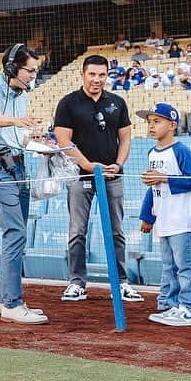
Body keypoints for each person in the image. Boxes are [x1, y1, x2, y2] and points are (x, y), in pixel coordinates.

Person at [53, 55, 144, 305]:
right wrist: (87, 165)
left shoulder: (117, 102)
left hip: (112, 177)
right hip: (80, 176)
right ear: (82, 74)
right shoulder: (68, 103)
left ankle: (121, 282)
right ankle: (77, 283)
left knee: (116, 231)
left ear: (107, 76)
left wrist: (119, 164)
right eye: (92, 74)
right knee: (77, 231)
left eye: (102, 75)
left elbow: (125, 138)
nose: (97, 79)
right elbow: (63, 141)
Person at [0, 44, 50, 324]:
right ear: (11, 68)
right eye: (29, 70)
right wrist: (16, 121)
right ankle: (12, 304)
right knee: (15, 232)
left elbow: (15, 136)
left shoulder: (22, 94)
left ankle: (3, 300)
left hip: (17, 165)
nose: (33, 75)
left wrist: (36, 140)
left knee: (18, 233)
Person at [137, 104, 191, 327]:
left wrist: (163, 178)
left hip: (181, 219)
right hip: (164, 218)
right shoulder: (151, 152)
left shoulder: (180, 150)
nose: (151, 126)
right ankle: (169, 305)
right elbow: (153, 188)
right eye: (149, 122)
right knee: (168, 265)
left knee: (185, 265)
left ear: (172, 125)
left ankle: (190, 309)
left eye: (157, 121)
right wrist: (148, 215)